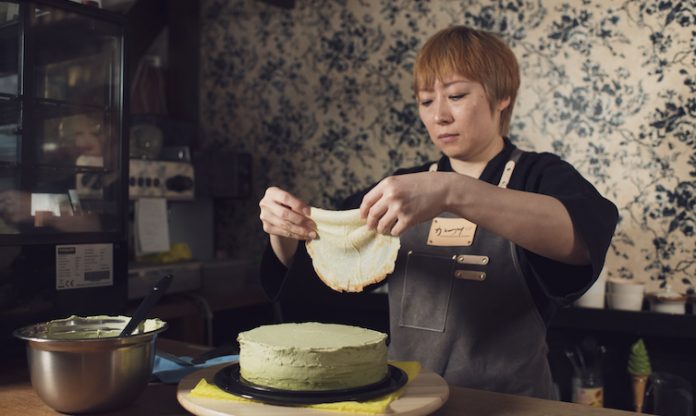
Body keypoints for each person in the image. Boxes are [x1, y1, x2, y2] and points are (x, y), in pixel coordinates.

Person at [257, 25, 618, 399]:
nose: (438, 116)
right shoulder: (401, 188)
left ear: (503, 97)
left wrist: (452, 190)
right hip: (408, 401)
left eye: (456, 95)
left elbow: (581, 239)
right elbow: (319, 270)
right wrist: (284, 230)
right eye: (426, 101)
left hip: (511, 405)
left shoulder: (537, 175)